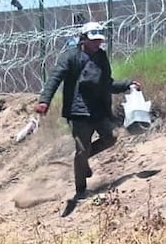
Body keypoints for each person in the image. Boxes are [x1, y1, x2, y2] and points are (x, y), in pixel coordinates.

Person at [36, 21, 140, 198]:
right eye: (93, 40)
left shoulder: (101, 57)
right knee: (82, 150)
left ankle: (81, 163)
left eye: (99, 40)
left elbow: (107, 83)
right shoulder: (70, 57)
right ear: (83, 39)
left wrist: (128, 84)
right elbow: (55, 78)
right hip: (78, 112)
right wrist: (45, 101)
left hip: (99, 109)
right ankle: (80, 190)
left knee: (110, 138)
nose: (97, 43)